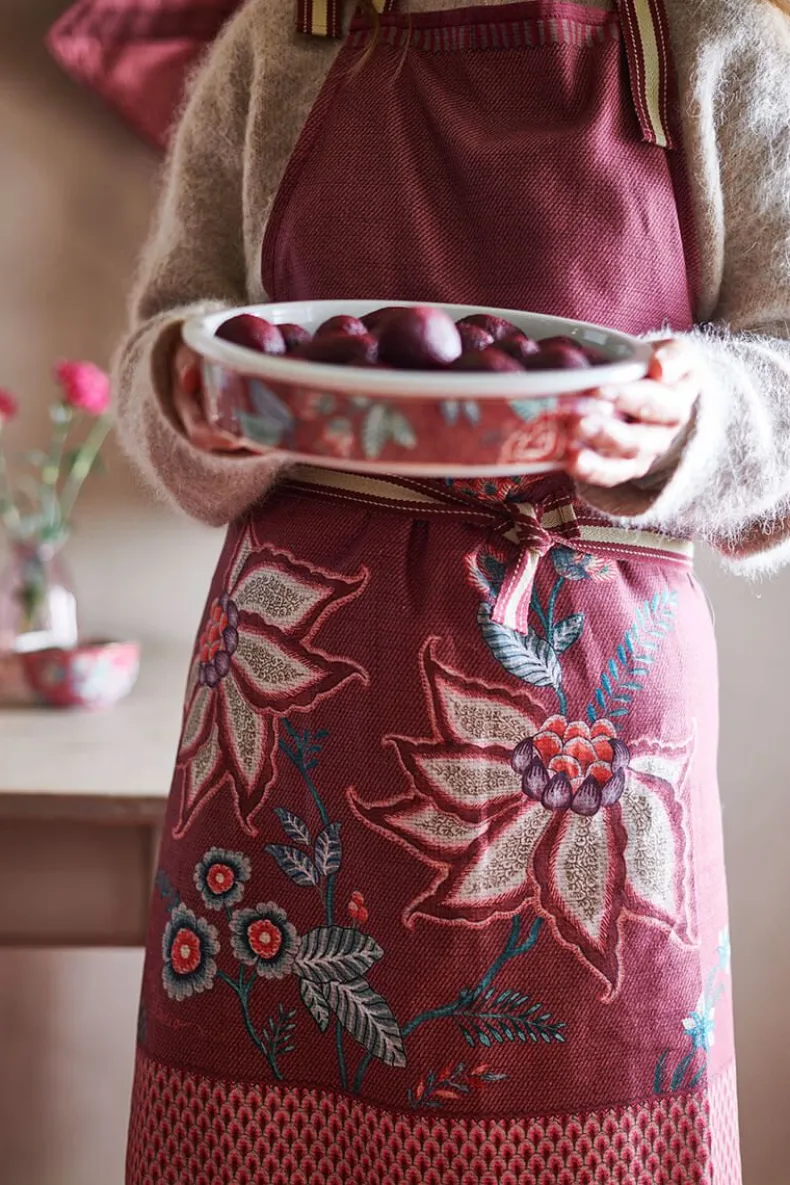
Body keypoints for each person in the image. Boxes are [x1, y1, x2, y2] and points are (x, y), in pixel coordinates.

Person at [116, 0, 790, 1179]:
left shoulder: (716, 39)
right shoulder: (282, 39)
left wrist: (699, 415)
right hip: (293, 703)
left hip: (594, 735)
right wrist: (183, 384)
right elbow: (169, 337)